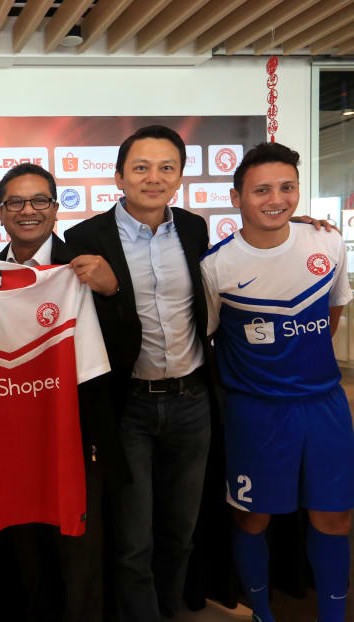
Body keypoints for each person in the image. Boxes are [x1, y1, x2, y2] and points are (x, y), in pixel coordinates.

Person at [65, 125, 213, 621]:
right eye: (142, 167)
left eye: (166, 167)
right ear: (119, 176)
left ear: (180, 177)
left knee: (181, 531)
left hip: (193, 401)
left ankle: (170, 610)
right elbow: (80, 323)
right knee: (133, 540)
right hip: (128, 406)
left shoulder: (194, 229)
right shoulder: (84, 238)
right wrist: (111, 292)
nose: (154, 178)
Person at [201, 142, 354, 622]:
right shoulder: (215, 266)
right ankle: (262, 612)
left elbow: (330, 317)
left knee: (335, 516)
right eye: (261, 189)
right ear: (236, 197)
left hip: (325, 406)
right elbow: (210, 336)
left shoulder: (326, 243)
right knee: (253, 517)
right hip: (256, 412)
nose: (276, 199)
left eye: (287, 187)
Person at [0, 163, 128, 621]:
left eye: (39, 201)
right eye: (16, 202)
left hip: (79, 437)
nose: (28, 211)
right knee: (26, 554)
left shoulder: (87, 263)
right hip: (13, 440)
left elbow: (127, 350)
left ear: (55, 207)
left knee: (80, 555)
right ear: (1, 212)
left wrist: (111, 292)